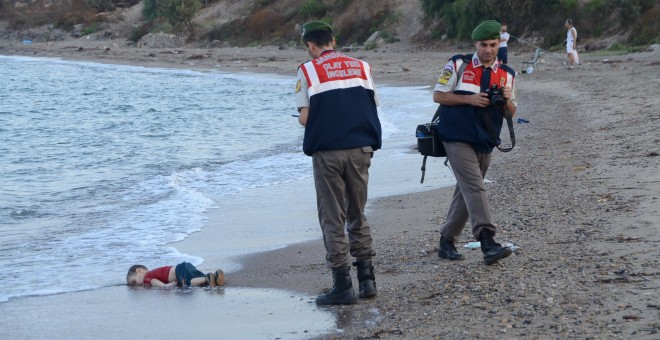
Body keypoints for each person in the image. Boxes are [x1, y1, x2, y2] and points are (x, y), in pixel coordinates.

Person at [295, 20, 382, 305]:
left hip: (329, 152)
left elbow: (306, 118)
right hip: (360, 149)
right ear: (333, 40)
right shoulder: (362, 66)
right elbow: (372, 104)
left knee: (333, 217)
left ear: (310, 44)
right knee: (357, 211)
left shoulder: (307, 69)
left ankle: (342, 285)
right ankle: (367, 281)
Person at [432, 20, 517, 266]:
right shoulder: (458, 63)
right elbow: (438, 95)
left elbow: (511, 112)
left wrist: (508, 100)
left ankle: (446, 241)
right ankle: (487, 240)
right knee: (475, 187)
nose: (488, 49)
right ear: (475, 44)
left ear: (499, 43)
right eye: (483, 45)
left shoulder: (507, 74)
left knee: (466, 190)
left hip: (486, 140)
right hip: (455, 136)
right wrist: (469, 100)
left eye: (493, 44)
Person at [126, 262, 225, 287]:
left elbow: (153, 282)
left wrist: (164, 286)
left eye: (134, 281)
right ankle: (215, 276)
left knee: (188, 282)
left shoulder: (147, 277)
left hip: (179, 270)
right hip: (184, 266)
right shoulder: (154, 272)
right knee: (197, 277)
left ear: (139, 271)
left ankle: (207, 279)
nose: (136, 284)